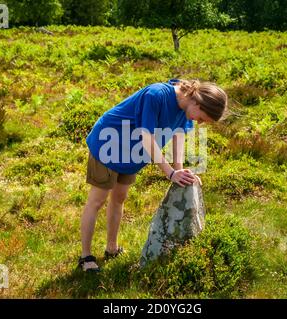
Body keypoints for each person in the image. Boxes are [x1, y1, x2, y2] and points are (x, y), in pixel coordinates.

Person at [79, 78, 228, 272]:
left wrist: (179, 168)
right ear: (197, 102)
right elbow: (146, 137)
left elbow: (179, 134)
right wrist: (170, 173)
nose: (198, 122)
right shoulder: (156, 95)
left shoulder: (186, 108)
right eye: (201, 118)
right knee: (97, 201)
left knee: (119, 198)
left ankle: (111, 248)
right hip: (109, 144)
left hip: (131, 154)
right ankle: (85, 257)